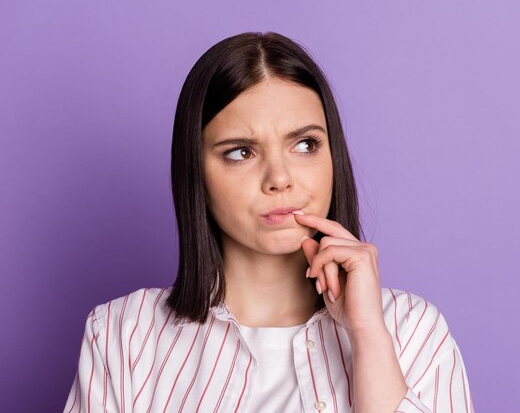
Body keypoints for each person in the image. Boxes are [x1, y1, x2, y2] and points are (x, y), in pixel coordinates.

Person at [63, 31, 475, 413]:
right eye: (241, 152)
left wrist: (368, 334)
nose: (279, 178)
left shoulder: (413, 331)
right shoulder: (124, 334)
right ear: (195, 172)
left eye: (305, 144)